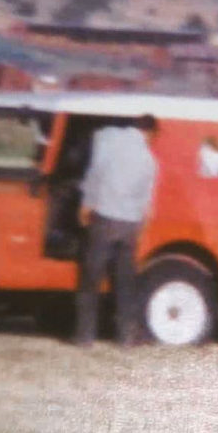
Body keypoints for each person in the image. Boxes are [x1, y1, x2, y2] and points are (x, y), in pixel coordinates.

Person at [75, 115, 159, 347]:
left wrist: (86, 205)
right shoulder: (150, 160)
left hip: (105, 219)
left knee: (91, 278)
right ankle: (124, 337)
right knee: (124, 281)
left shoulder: (110, 143)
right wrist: (140, 230)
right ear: (149, 133)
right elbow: (147, 203)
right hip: (130, 225)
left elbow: (95, 175)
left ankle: (85, 337)